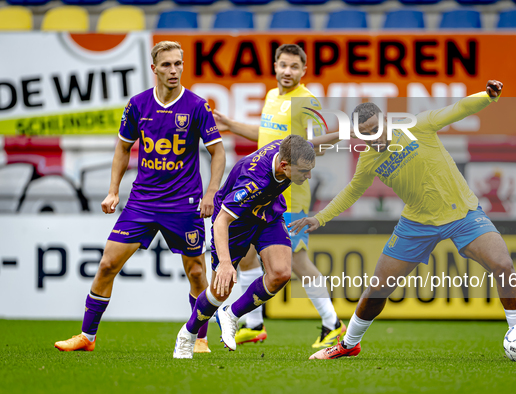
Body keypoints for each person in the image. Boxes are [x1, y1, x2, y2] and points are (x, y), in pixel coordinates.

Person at [289, 81, 516, 359]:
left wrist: (487, 97)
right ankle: (349, 343)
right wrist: (320, 218)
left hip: (462, 212)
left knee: (503, 264)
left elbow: (459, 108)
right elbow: (352, 191)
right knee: (378, 288)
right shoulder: (369, 160)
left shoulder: (418, 126)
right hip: (417, 224)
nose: (373, 138)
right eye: (365, 135)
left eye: (376, 129)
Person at [54, 41, 226, 354]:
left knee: (197, 272)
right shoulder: (138, 105)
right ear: (154, 69)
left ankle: (199, 339)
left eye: (178, 64)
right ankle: (87, 337)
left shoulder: (198, 106)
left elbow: (218, 152)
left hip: (184, 203)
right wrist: (113, 190)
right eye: (166, 65)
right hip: (142, 203)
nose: (173, 70)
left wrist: (212, 191)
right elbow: (123, 147)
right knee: (107, 264)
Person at [213, 44, 345, 348]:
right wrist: (232, 125)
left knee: (296, 260)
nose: (287, 71)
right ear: (275, 66)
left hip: (290, 195)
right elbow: (265, 138)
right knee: (246, 256)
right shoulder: (274, 97)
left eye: (294, 67)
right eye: (283, 65)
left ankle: (332, 323)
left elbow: (317, 145)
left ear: (304, 71)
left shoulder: (306, 100)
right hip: (263, 190)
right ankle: (255, 325)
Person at [173, 135, 318, 358]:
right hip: (235, 221)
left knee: (281, 273)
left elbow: (313, 141)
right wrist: (224, 263)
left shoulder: (291, 149)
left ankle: (231, 315)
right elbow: (222, 220)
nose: (308, 177)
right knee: (220, 290)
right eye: (303, 172)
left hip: (267, 212)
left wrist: (349, 133)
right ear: (284, 165)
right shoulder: (253, 182)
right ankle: (187, 334)